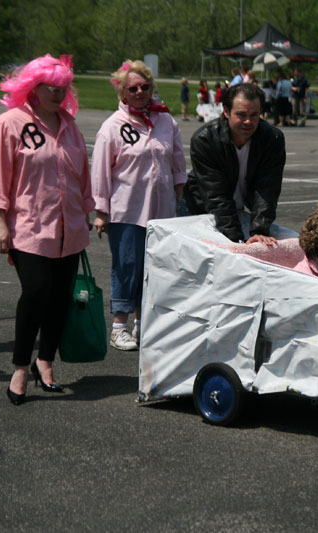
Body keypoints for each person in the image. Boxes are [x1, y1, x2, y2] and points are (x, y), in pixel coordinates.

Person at [0, 54, 94, 405]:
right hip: (29, 226)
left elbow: (81, 174)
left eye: (64, 89)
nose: (59, 95)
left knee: (60, 297)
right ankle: (20, 366)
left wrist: (87, 211)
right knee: (36, 291)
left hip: (69, 226)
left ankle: (45, 361)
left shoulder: (69, 125)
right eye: (51, 88)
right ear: (33, 86)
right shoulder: (11, 122)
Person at [91, 60, 187, 351]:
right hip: (127, 210)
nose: (140, 92)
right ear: (122, 93)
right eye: (133, 88)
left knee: (156, 268)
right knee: (127, 267)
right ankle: (119, 326)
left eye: (145, 86)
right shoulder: (112, 127)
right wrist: (100, 211)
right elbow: (100, 172)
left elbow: (178, 160)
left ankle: (144, 324)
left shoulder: (166, 121)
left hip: (162, 211)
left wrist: (178, 192)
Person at [185, 83, 285, 245]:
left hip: (237, 209)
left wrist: (259, 231)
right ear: (226, 111)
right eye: (241, 114)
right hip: (199, 209)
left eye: (254, 115)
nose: (248, 121)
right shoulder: (205, 140)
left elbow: (268, 188)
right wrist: (236, 240)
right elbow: (217, 196)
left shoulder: (272, 139)